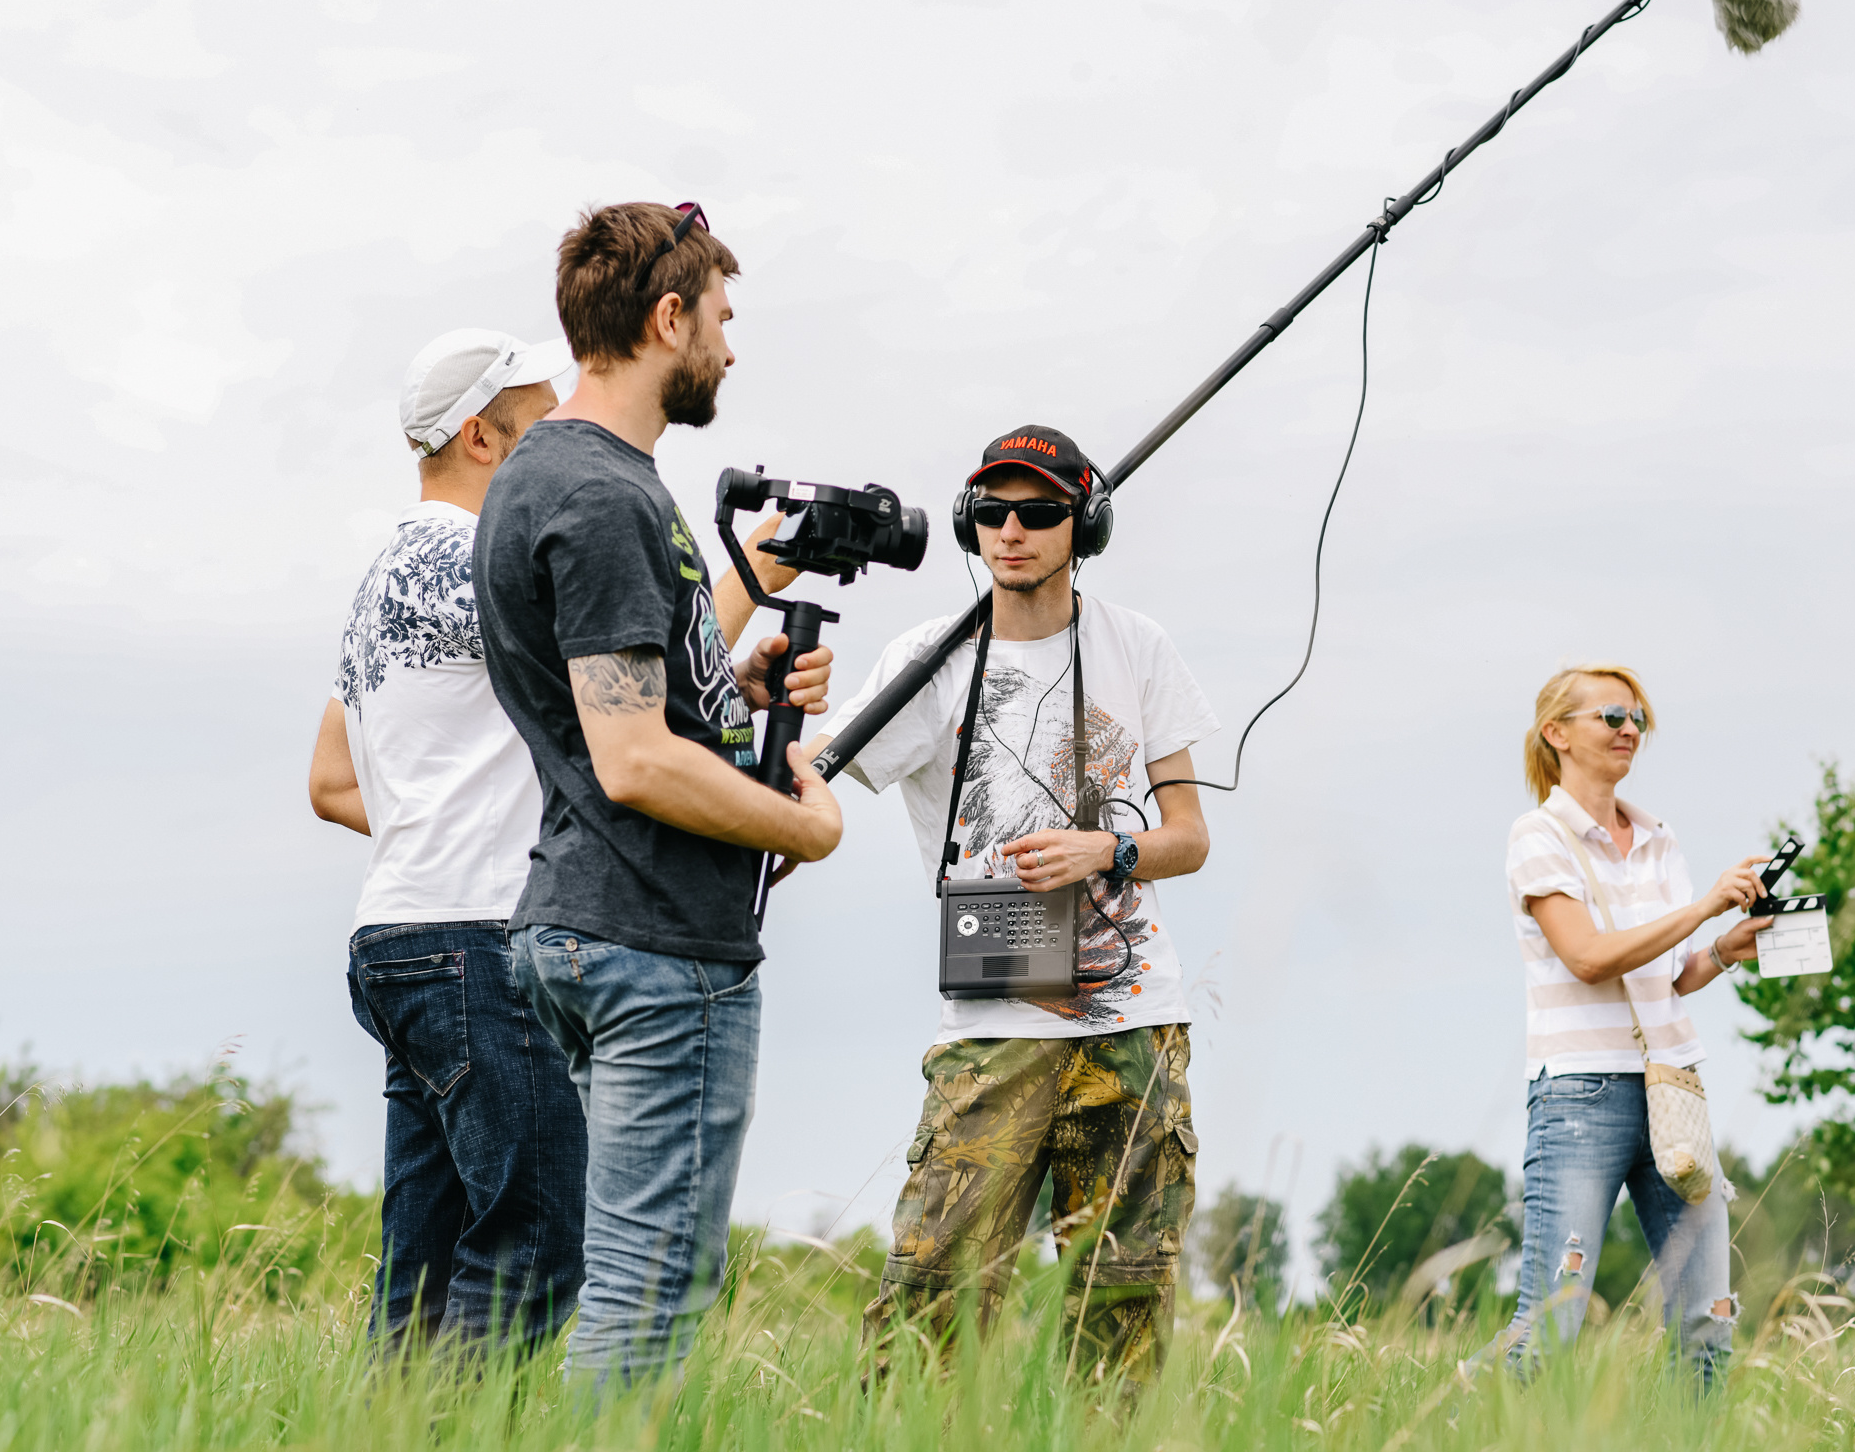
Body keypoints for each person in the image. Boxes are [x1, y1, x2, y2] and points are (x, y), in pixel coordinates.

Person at [473, 202, 842, 1392]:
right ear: (666, 315)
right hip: (652, 940)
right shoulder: (609, 497)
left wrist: (729, 688)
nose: (730, 351)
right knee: (648, 1294)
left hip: (583, 924)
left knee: (627, 1273)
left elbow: (622, 711)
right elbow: (632, 757)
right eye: (721, 321)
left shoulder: (550, 474)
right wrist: (806, 825)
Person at [819, 425, 1217, 1400]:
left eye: (1038, 511)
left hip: (1135, 1022)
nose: (1012, 529)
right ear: (970, 521)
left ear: (1082, 524)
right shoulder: (928, 658)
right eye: (992, 510)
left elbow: (1191, 836)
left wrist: (1104, 848)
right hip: (992, 1026)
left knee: (1121, 1302)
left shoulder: (1139, 644)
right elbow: (821, 776)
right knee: (933, 1296)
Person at [305, 328, 586, 1352]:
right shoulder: (489, 561)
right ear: (482, 435)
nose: (567, 446)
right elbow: (626, 684)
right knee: (537, 1244)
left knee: (418, 1275)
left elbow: (333, 781)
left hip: (396, 938)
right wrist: (754, 576)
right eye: (547, 426)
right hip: (477, 942)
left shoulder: (380, 578)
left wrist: (439, 808)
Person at [1486, 664, 1777, 1390]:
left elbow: (1669, 975)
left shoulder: (1656, 837)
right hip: (1580, 1096)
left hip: (1672, 1088)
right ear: (1557, 733)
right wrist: (1704, 909)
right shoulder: (1539, 835)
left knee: (1708, 1319)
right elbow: (1586, 957)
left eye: (1638, 720)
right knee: (1552, 1322)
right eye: (1610, 717)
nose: (1627, 731)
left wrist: (1722, 949)